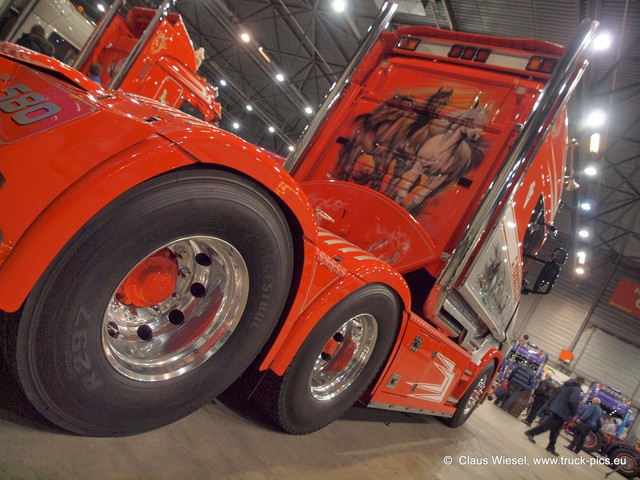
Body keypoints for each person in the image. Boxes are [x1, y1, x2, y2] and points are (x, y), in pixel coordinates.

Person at [524, 375, 584, 456]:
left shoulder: (566, 384)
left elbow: (556, 393)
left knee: (556, 430)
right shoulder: (576, 388)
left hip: (557, 408)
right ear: (581, 383)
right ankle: (531, 433)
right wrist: (574, 411)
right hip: (563, 411)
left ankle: (551, 447)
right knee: (548, 425)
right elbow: (573, 401)